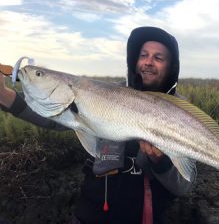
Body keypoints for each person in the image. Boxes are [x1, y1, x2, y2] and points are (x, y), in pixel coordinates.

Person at [0, 26, 197, 224]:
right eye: (143, 55)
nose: (148, 62)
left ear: (171, 66)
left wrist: (160, 162)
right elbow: (57, 118)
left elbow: (183, 186)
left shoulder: (182, 114)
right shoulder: (106, 93)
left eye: (158, 58)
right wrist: (6, 96)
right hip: (92, 210)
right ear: (135, 60)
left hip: (144, 215)